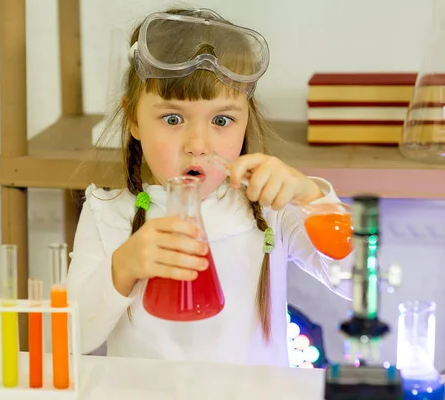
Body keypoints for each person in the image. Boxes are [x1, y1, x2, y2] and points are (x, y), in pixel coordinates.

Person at [67, 7, 352, 367]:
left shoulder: (270, 208)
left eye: (222, 120)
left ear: (246, 120)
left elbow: (357, 284)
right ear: (133, 121)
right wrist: (122, 267)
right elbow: (70, 339)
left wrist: (312, 200)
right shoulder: (105, 212)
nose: (198, 144)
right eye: (173, 118)